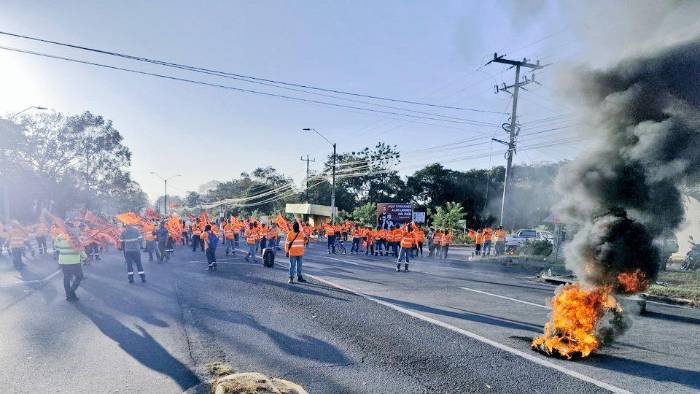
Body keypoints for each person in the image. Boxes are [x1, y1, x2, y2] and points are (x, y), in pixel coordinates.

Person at [55, 225, 87, 301]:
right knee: (79, 276)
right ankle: (71, 292)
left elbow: (56, 247)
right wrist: (84, 257)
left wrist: (65, 249)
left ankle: (68, 295)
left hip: (63, 260)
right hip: (74, 260)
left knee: (67, 278)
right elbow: (79, 249)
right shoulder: (73, 237)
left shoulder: (59, 237)